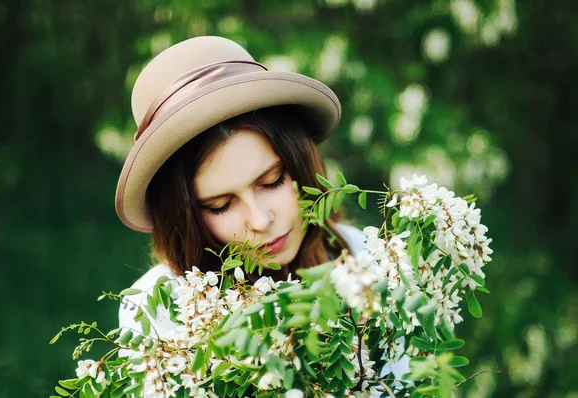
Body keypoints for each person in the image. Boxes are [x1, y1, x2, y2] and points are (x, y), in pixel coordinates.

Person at [115, 36, 408, 379]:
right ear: (186, 218)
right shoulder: (160, 307)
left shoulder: (363, 257)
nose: (260, 220)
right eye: (220, 205)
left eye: (272, 181)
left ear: (302, 164)